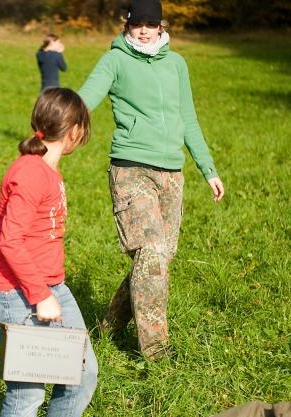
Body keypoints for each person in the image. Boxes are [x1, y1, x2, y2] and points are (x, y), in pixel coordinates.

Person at [76, 0, 225, 360]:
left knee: (155, 259)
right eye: (137, 23)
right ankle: (157, 352)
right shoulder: (115, 60)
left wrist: (208, 168)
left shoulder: (176, 64)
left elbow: (187, 117)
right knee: (152, 253)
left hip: (171, 174)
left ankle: (109, 326)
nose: (143, 29)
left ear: (161, 25)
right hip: (131, 168)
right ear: (127, 24)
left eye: (150, 23)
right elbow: (85, 98)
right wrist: (55, 124)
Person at [0, 87, 98, 417]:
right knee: (27, 392)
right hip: (17, 291)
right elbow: (10, 240)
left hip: (52, 286)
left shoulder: (47, 170)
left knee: (82, 372)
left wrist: (49, 290)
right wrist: (40, 294)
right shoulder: (31, 173)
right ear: (75, 130)